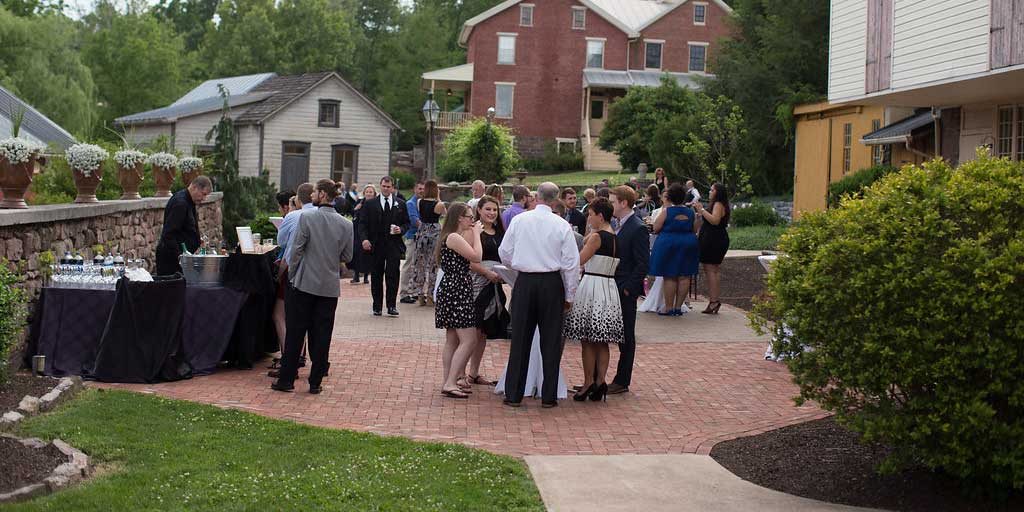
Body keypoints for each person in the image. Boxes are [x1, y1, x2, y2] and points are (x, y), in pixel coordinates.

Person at [498, 182, 580, 408]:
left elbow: (504, 252)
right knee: (551, 341)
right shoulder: (562, 225)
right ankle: (548, 396)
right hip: (552, 283)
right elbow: (571, 264)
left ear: (536, 196)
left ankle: (513, 394)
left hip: (525, 281)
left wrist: (518, 265)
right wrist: (569, 296)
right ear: (556, 200)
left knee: (520, 339)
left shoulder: (520, 220)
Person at [271, 179, 354, 394]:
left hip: (304, 283)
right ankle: (315, 381)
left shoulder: (307, 218)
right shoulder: (346, 224)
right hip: (329, 287)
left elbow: (296, 250)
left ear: (323, 195)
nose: (312, 195)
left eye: (316, 192)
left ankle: (286, 380)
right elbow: (347, 256)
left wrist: (294, 275)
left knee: (296, 332)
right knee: (322, 334)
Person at [564, 197, 621, 402]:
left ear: (600, 215)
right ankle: (600, 381)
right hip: (609, 288)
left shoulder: (597, 237)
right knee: (602, 339)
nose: (588, 218)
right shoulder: (615, 237)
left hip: (592, 286)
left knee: (587, 339)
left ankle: (589, 382)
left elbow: (578, 260)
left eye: (590, 214)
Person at [435, 203, 483, 399]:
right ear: (459, 218)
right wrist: (478, 234)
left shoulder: (452, 236)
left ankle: (449, 380)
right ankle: (450, 382)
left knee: (452, 339)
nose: (472, 220)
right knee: (469, 339)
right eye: (469, 217)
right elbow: (476, 257)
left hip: (453, 287)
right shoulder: (453, 237)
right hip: (457, 290)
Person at [607, 185, 649, 395]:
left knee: (626, 337)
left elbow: (643, 263)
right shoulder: (618, 224)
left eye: (613, 201)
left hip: (624, 289)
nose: (611, 205)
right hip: (613, 286)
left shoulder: (637, 227)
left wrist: (628, 289)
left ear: (623, 203)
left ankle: (623, 380)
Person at [464, 195, 508, 387]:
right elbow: (467, 260)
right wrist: (486, 273)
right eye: (488, 209)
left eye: (495, 210)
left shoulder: (501, 233)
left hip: (495, 285)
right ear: (479, 210)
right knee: (471, 331)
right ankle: (459, 372)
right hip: (476, 283)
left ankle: (473, 373)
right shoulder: (474, 231)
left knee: (483, 332)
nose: (491, 213)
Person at [357, 176, 410, 316]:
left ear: (392, 187)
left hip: (393, 245)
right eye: (384, 186)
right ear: (380, 186)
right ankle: (377, 306)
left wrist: (401, 229)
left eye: (388, 186)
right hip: (376, 245)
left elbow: (406, 223)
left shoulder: (401, 203)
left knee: (393, 275)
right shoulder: (370, 204)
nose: (386, 189)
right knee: (376, 276)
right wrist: (364, 239)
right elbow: (362, 224)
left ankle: (391, 305)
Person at [649, 184, 699, 316]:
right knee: (685, 275)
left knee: (670, 275)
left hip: (669, 244)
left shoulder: (666, 211)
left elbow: (656, 228)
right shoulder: (690, 212)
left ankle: (669, 307)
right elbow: (695, 229)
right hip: (688, 243)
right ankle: (678, 307)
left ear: (670, 197)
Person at [156, 176, 212, 276]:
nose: (204, 199)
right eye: (203, 194)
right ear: (195, 188)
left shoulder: (189, 201)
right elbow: (169, 234)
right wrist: (181, 257)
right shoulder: (180, 203)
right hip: (172, 263)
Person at [694, 183, 730, 315]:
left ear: (717, 192)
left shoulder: (718, 204)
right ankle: (714, 300)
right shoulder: (717, 204)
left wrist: (701, 210)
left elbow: (715, 220)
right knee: (713, 269)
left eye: (712, 190)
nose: (710, 192)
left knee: (711, 269)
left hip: (714, 240)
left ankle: (714, 300)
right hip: (713, 238)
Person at [411, 180, 447, 306]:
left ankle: (420, 294)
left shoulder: (419, 202)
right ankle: (431, 295)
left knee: (420, 264)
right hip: (434, 234)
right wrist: (438, 197)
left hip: (422, 233)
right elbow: (445, 215)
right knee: (433, 265)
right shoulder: (439, 204)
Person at [277, 183, 316, 265]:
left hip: (297, 265)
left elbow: (281, 242)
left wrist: (291, 211)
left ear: (298, 199)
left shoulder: (292, 216)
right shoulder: (321, 212)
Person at [400, 181, 425, 304]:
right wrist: (429, 228)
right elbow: (414, 220)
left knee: (419, 266)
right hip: (412, 238)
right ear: (415, 189)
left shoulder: (424, 203)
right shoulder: (411, 203)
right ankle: (404, 293)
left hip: (423, 238)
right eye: (419, 188)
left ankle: (414, 291)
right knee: (408, 265)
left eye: (423, 189)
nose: (421, 191)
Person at [349, 185, 376, 284]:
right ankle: (356, 275)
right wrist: (356, 209)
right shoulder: (360, 202)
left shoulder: (375, 204)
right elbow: (353, 214)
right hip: (357, 231)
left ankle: (365, 276)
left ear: (374, 194)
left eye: (370, 192)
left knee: (367, 253)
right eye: (367, 192)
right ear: (364, 193)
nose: (368, 194)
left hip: (369, 232)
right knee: (356, 253)